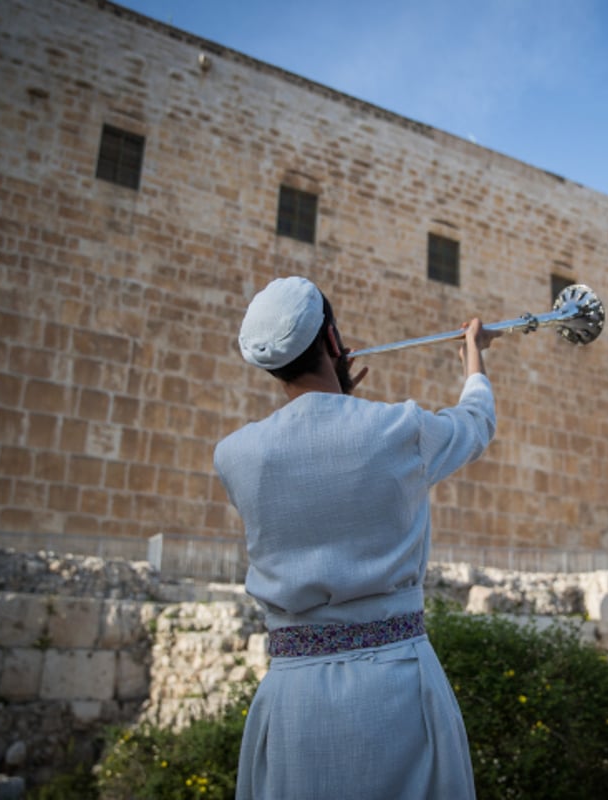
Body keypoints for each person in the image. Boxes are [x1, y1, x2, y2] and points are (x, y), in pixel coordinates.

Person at [213, 276, 498, 799]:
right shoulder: (398, 430)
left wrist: (339, 404)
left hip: (294, 699)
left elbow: (314, 474)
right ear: (332, 340)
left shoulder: (234, 456)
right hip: (398, 688)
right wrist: (473, 359)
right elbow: (475, 423)